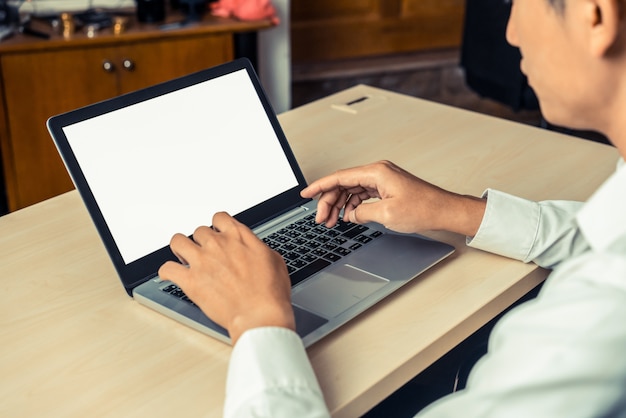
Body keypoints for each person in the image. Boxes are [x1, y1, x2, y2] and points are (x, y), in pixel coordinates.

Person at [158, 0, 626, 416]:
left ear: (596, 15)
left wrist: (258, 320)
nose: (511, 33)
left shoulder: (596, 317)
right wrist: (456, 211)